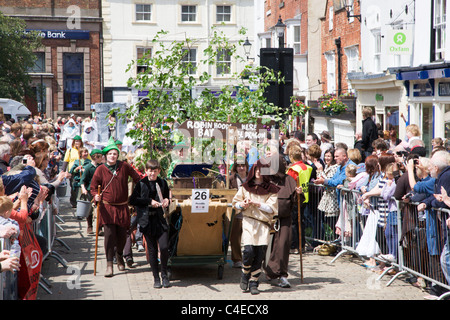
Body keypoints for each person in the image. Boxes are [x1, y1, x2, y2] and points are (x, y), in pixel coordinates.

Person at [90, 137, 141, 277]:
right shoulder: (100, 169)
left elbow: (137, 178)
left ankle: (119, 257)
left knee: (122, 236)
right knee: (109, 235)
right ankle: (109, 265)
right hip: (107, 208)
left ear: (118, 155)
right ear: (106, 155)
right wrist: (95, 196)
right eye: (110, 154)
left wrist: (135, 196)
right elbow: (93, 187)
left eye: (115, 153)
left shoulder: (124, 166)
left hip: (122, 207)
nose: (112, 156)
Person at [232, 160, 279, 295]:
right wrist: (243, 205)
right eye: (257, 169)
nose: (259, 172)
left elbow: (272, 209)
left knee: (259, 255)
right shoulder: (246, 187)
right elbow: (235, 204)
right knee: (248, 251)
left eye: (262, 170)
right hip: (248, 221)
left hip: (263, 224)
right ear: (253, 170)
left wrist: (258, 204)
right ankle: (245, 273)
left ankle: (254, 282)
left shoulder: (271, 189)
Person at [129, 159, 171, 288]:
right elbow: (132, 200)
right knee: (152, 250)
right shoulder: (141, 184)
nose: (152, 173)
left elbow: (167, 196)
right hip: (147, 220)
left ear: (158, 171)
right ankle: (156, 278)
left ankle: (164, 274)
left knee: (164, 248)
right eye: (149, 170)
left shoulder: (162, 182)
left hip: (161, 219)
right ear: (146, 171)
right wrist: (149, 201)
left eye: (155, 171)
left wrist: (166, 200)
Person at [265, 155, 301, 288]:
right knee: (267, 247)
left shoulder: (290, 180)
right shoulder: (266, 180)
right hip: (267, 219)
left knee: (283, 245)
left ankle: (282, 275)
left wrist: (299, 194)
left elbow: (297, 202)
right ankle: (268, 272)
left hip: (285, 220)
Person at [286, 145, 313, 254]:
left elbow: (289, 183)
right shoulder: (307, 167)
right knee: (300, 222)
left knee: (293, 223)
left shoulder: (293, 169)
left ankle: (294, 246)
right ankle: (301, 245)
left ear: (291, 156)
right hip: (304, 198)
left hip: (295, 198)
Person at [228, 158, 249, 268]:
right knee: (235, 236)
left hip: (250, 211)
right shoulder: (231, 179)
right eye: (239, 166)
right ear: (235, 167)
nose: (241, 168)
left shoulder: (252, 178)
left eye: (243, 165)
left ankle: (249, 259)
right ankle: (237, 259)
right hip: (236, 211)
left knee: (249, 237)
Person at [80, 149, 103, 234]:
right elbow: (83, 180)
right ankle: (89, 226)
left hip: (100, 190)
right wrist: (83, 188)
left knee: (100, 209)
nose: (102, 158)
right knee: (89, 209)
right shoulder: (89, 167)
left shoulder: (101, 166)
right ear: (96, 157)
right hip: (90, 190)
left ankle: (99, 228)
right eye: (100, 156)